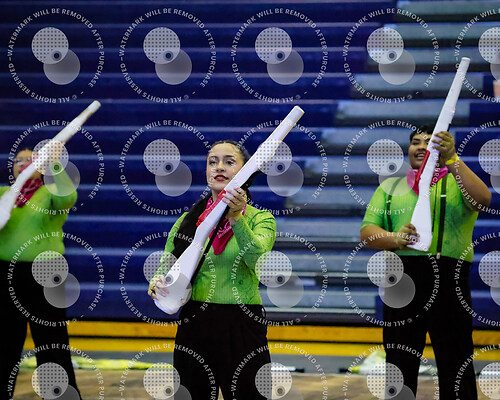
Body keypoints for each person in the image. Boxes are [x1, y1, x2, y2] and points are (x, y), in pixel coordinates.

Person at [360, 127, 491, 398]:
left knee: (456, 357)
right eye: (415, 142)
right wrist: (395, 238)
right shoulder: (389, 188)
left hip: (449, 277)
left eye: (430, 142)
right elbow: (367, 232)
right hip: (402, 278)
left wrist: (453, 158)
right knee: (399, 359)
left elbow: (482, 200)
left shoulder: (457, 182)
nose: (421, 146)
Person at [148, 140, 276, 400]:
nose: (219, 167)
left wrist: (236, 219)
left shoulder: (261, 219)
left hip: (241, 325)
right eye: (212, 161)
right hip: (195, 323)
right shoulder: (187, 221)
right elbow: (167, 265)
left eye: (229, 162)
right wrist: (157, 282)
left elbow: (257, 260)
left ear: (245, 172)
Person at [0, 147, 81, 399]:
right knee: (5, 340)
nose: (23, 164)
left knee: (51, 340)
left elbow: (69, 197)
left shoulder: (50, 193)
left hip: (46, 273)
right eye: (18, 160)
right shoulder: (3, 195)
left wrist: (55, 164)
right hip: (6, 273)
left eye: (30, 160)